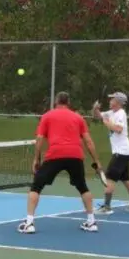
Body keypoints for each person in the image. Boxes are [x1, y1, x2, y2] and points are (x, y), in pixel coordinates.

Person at [18, 91, 102, 234]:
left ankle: (29, 223)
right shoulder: (78, 118)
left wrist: (36, 159)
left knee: (36, 186)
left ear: (56, 101)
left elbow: (39, 139)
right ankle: (91, 221)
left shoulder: (47, 116)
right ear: (68, 102)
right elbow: (88, 141)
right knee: (83, 187)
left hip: (55, 155)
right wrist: (96, 161)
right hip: (75, 155)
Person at [91, 91, 129, 214]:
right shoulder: (111, 113)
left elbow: (118, 129)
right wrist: (95, 108)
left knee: (109, 178)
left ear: (118, 102)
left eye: (112, 99)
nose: (110, 101)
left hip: (122, 152)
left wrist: (106, 122)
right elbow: (98, 116)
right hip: (125, 152)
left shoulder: (121, 114)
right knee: (125, 178)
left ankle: (107, 207)